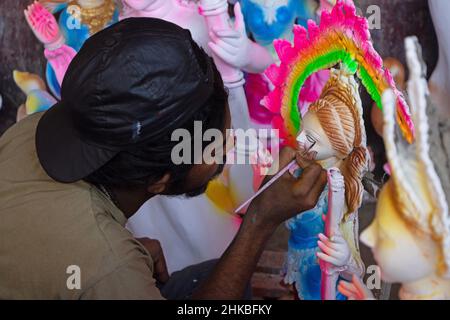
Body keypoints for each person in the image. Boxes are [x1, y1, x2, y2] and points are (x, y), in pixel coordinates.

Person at [0, 18, 326, 299]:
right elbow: (95, 261)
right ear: (159, 180)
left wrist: (129, 252)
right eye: (213, 147)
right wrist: (260, 220)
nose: (228, 149)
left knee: (217, 273)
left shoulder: (35, 131)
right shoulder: (108, 266)